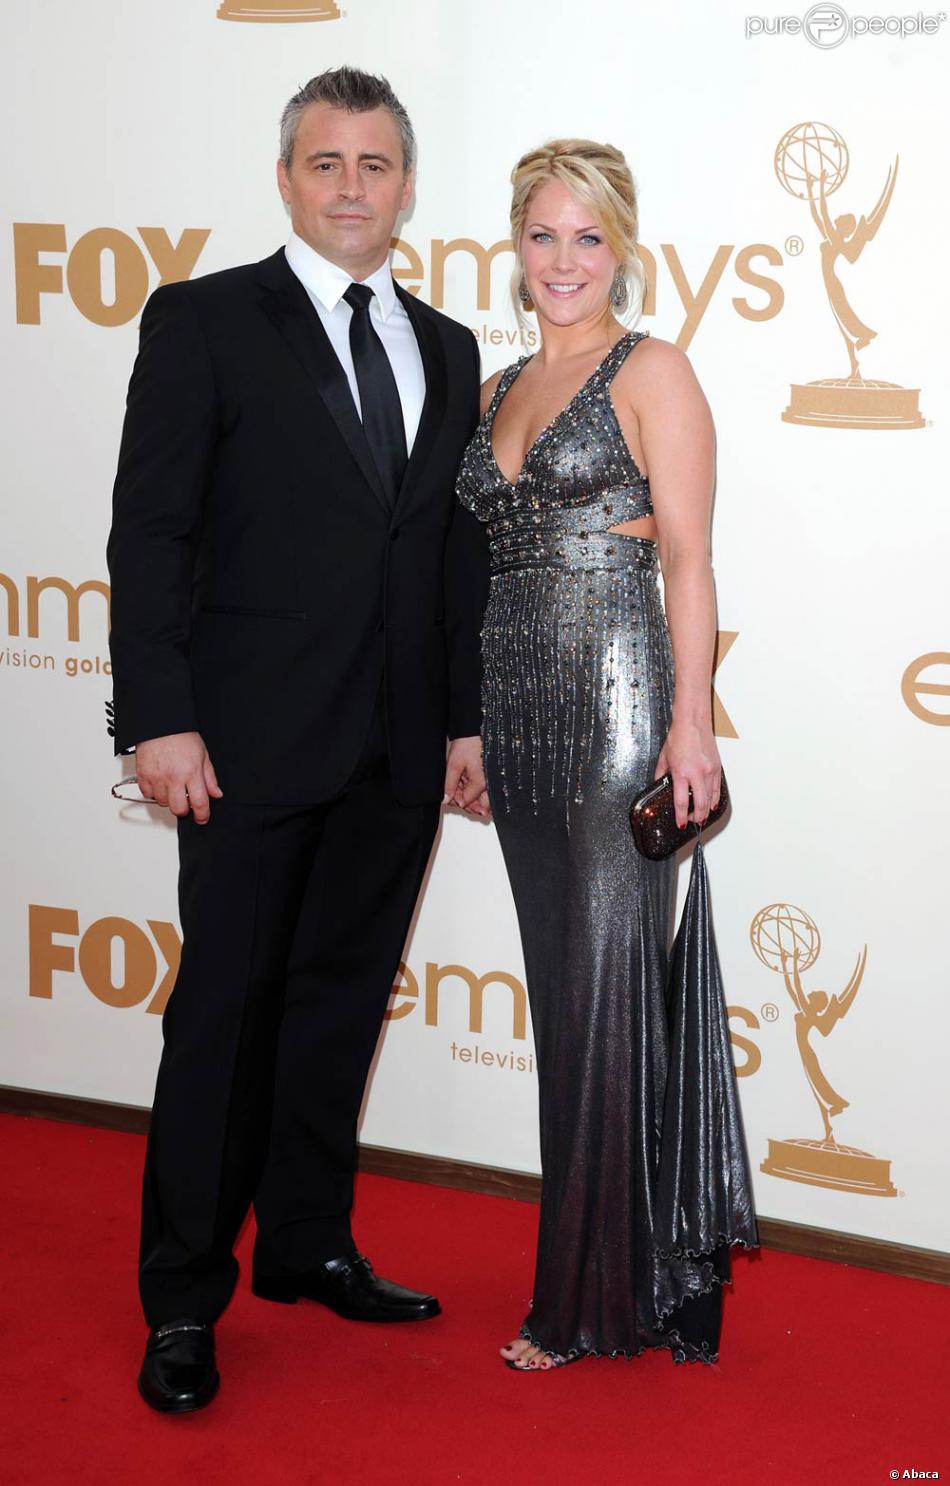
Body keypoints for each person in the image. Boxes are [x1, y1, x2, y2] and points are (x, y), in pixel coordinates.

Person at [107, 66, 490, 1413]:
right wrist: (156, 713)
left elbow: (446, 553)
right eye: (325, 163)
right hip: (248, 742)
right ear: (285, 179)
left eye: (374, 164)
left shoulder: (445, 347)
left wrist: (461, 720)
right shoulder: (205, 320)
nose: (350, 187)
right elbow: (151, 531)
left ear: (403, 185)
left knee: (336, 1003)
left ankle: (309, 1240)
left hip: (392, 745)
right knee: (223, 1015)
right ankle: (181, 1299)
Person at [454, 138, 757, 1370]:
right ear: (513, 245)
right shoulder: (493, 388)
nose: (562, 259)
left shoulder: (653, 371)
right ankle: (613, 1258)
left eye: (586, 236)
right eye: (541, 235)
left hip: (621, 696)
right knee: (571, 999)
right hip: (516, 709)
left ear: (620, 245)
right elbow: (473, 565)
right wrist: (466, 727)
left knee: (603, 984)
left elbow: (686, 555)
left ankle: (585, 1300)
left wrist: (691, 720)